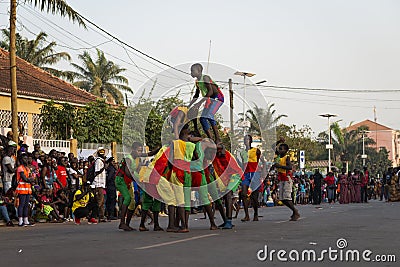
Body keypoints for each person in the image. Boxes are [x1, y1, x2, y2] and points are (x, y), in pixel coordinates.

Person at [189, 63, 224, 144]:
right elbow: (196, 95)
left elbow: (211, 91)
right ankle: (211, 139)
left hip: (217, 98)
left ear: (199, 71)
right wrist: (189, 105)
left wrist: (199, 104)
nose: (191, 72)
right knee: (202, 118)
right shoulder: (197, 81)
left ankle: (218, 139)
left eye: (192, 71)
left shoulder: (205, 78)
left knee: (209, 115)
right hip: (210, 99)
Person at [272, 142, 300, 221]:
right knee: (282, 198)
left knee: (286, 197)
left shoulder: (286, 157)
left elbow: (289, 167)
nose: (280, 150)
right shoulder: (278, 156)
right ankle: (294, 211)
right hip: (281, 178)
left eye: (282, 149)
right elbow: (272, 147)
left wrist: (280, 166)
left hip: (287, 178)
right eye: (279, 149)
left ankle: (295, 211)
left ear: (286, 150)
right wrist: (279, 141)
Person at [240, 135, 265, 222]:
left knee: (254, 196)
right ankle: (246, 215)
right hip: (246, 174)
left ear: (251, 141)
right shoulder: (242, 152)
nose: (246, 141)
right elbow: (243, 164)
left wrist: (263, 173)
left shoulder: (256, 151)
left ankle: (255, 214)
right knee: (243, 194)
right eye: (245, 139)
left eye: (248, 139)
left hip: (255, 174)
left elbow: (263, 162)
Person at [16, 153, 35, 226]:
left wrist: (30, 179)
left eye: (27, 159)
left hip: (27, 189)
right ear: (21, 160)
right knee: (21, 205)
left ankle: (26, 220)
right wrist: (30, 179)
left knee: (26, 205)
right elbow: (25, 178)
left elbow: (30, 178)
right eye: (24, 158)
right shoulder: (20, 168)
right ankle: (20, 221)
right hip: (22, 188)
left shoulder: (27, 168)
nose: (26, 160)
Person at [92, 147, 108, 222]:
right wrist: (104, 167)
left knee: (102, 201)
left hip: (102, 183)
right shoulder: (98, 161)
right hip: (98, 183)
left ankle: (101, 216)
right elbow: (97, 171)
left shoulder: (102, 161)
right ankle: (94, 216)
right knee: (99, 201)